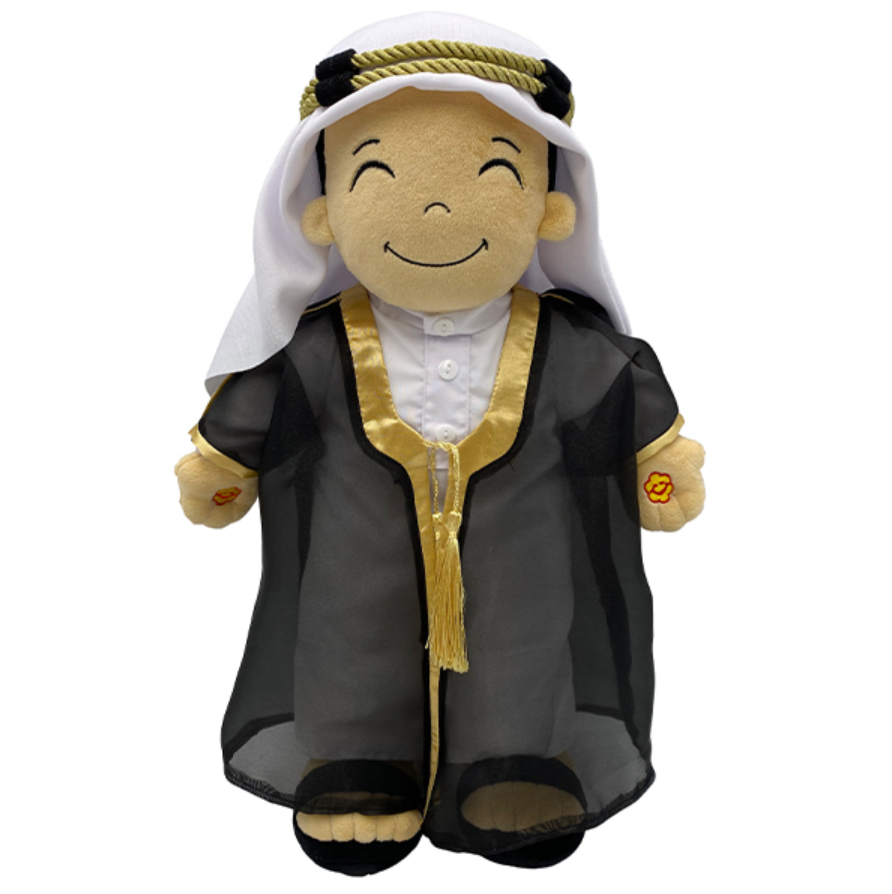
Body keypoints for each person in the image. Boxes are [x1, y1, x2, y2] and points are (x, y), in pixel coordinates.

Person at [175, 12, 705, 875]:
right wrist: (223, 464)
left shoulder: (563, 340)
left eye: (496, 172)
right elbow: (264, 398)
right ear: (322, 214)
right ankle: (358, 761)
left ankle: (514, 757)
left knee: (524, 635)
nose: (433, 206)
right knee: (350, 634)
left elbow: (616, 383)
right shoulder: (321, 342)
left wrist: (657, 462)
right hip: (353, 550)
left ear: (551, 208)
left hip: (526, 550)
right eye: (375, 173)